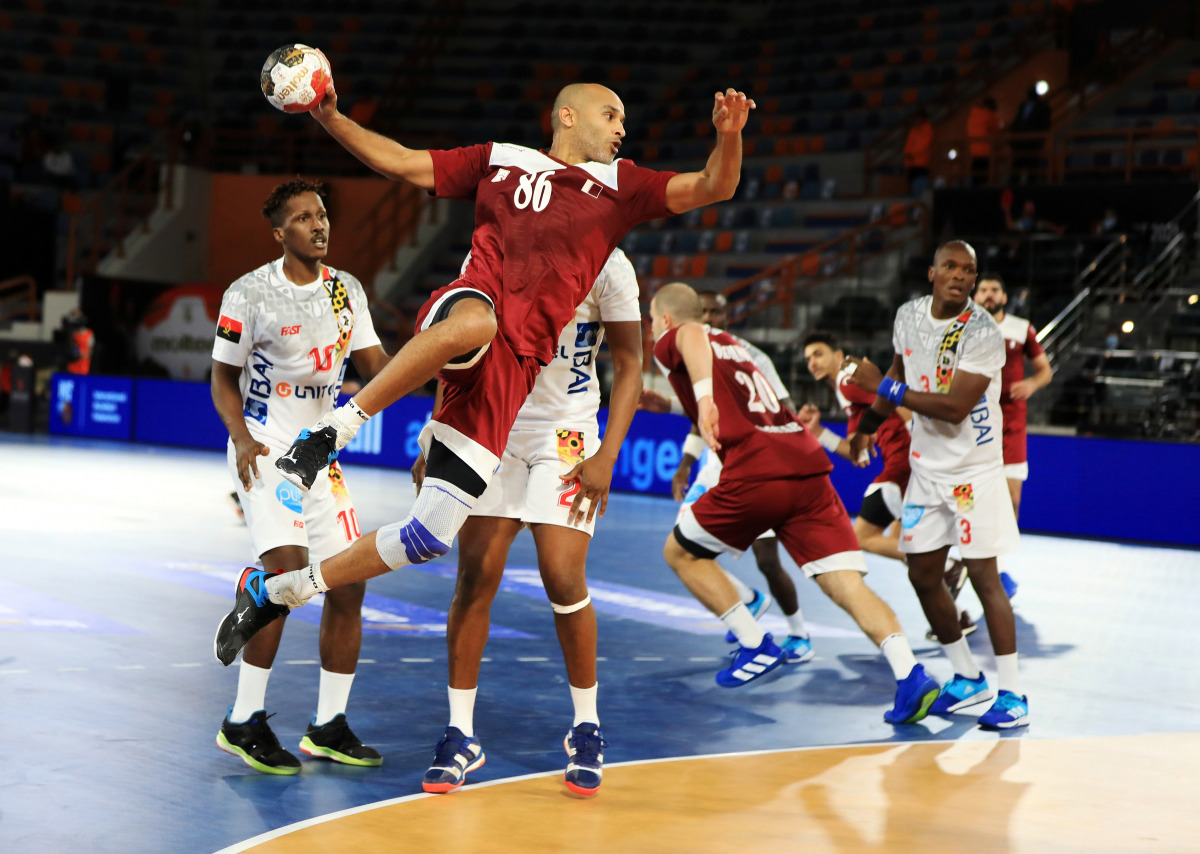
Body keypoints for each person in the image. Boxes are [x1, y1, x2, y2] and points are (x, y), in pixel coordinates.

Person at [214, 80, 753, 705]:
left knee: (428, 536)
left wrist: (729, 136)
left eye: (623, 119)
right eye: (611, 115)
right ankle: (332, 432)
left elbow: (714, 185)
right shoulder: (501, 159)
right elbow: (400, 161)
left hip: (515, 373)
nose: (621, 129)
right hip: (471, 310)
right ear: (568, 116)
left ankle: (277, 591)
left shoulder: (621, 184)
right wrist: (330, 116)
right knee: (478, 322)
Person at [650, 283, 939, 725]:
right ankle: (911, 675)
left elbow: (690, 337)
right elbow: (745, 401)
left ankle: (754, 643)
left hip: (756, 469)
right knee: (845, 585)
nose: (653, 328)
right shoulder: (737, 346)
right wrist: (676, 404)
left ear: (666, 319)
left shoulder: (681, 335)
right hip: (806, 466)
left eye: (653, 321)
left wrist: (702, 398)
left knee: (680, 552)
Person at [411, 248, 643, 797]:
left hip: (566, 430)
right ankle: (460, 733)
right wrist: (437, 435)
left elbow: (631, 363)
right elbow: (455, 350)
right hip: (493, 422)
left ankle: (586, 725)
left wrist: (607, 455)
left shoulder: (608, 261)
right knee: (475, 576)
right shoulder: (492, 245)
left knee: (562, 574)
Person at [210, 178, 391, 774]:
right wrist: (242, 438)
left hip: (321, 459)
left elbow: (377, 367)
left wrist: (437, 369)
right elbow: (222, 377)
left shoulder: (346, 291)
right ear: (278, 233)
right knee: (288, 576)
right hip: (265, 451)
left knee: (349, 585)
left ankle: (328, 725)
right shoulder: (248, 293)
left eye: (322, 214)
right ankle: (242, 722)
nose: (319, 224)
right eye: (304, 218)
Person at [845, 240, 1029, 729]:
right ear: (932, 273)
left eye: (969, 270)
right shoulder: (908, 316)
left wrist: (880, 387)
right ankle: (967, 678)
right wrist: (867, 426)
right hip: (926, 472)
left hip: (974, 473)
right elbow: (898, 371)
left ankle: (1013, 694)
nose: (960, 276)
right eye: (951, 266)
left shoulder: (983, 332)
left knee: (985, 578)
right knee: (923, 575)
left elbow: (954, 408)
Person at [641, 289, 814, 663]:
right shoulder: (691, 350)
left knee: (767, 561)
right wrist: (685, 463)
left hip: (755, 463)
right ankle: (749, 602)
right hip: (717, 465)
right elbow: (702, 412)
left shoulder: (747, 354)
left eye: (715, 312)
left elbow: (779, 407)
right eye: (703, 311)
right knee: (684, 541)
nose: (709, 318)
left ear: (726, 316)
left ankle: (798, 633)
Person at [800, 333, 973, 637]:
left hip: (905, 464)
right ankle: (956, 618)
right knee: (905, 549)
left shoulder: (847, 380)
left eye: (818, 354)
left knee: (863, 538)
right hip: (906, 464)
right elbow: (857, 452)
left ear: (838, 355)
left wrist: (923, 445)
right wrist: (818, 432)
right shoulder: (846, 392)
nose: (812, 362)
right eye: (807, 358)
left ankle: (950, 567)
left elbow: (892, 395)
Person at [974, 273, 1052, 594]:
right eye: (983, 290)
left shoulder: (1022, 328)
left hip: (1011, 425)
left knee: (1011, 499)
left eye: (994, 290)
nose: (988, 295)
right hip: (975, 422)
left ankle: (1000, 566)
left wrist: (1031, 384)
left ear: (1004, 297)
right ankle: (974, 562)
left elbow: (1044, 371)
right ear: (975, 296)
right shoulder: (963, 327)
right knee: (971, 498)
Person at [966, 97, 1000, 185]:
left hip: (974, 152)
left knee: (975, 178)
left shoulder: (972, 116)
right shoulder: (989, 116)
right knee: (985, 180)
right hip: (986, 152)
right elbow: (996, 131)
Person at [903, 109, 933, 195]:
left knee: (920, 187)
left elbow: (924, 145)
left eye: (919, 118)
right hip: (911, 163)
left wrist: (912, 154)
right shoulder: (914, 130)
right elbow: (909, 144)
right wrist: (907, 153)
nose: (917, 120)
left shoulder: (927, 130)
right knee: (912, 186)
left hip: (921, 164)